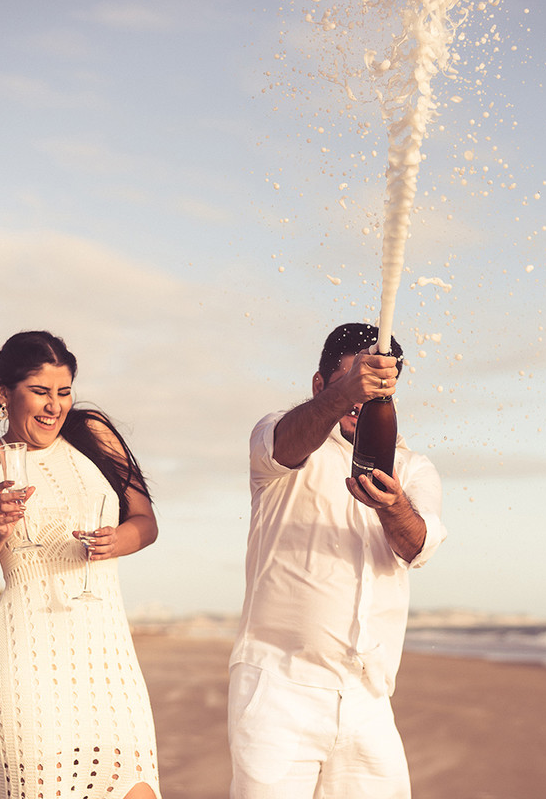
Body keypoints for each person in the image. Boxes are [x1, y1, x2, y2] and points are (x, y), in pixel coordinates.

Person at [229, 322, 448, 799]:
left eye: (375, 390)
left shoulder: (412, 468)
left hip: (370, 699)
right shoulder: (285, 439)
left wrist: (393, 508)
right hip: (279, 688)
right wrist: (345, 392)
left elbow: (419, 545)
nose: (360, 401)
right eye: (352, 384)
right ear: (319, 384)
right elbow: (284, 445)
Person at [0, 330, 161, 799]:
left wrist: (118, 539)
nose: (54, 406)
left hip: (109, 660)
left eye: (63, 392)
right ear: (4, 393)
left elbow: (145, 522)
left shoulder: (94, 432)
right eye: (39, 392)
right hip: (29, 666)